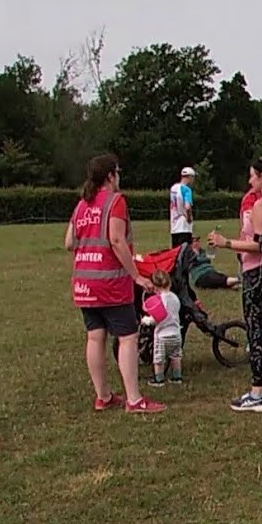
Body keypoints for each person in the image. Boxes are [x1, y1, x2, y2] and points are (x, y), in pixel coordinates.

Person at [65, 154, 165, 413]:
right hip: (109, 281)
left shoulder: (82, 205)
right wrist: (136, 276)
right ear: (110, 175)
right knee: (128, 337)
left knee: (95, 337)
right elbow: (117, 240)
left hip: (84, 282)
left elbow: (68, 243)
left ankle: (103, 396)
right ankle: (134, 399)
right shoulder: (115, 201)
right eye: (117, 172)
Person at [207, 157, 262, 412]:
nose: (249, 181)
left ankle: (257, 392)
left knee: (256, 329)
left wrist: (226, 243)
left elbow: (260, 245)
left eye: (252, 176)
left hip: (259, 271)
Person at [143, 269, 184, 387]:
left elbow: (157, 318)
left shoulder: (159, 300)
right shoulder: (175, 298)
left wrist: (146, 320)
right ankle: (177, 377)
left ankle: (159, 379)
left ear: (155, 287)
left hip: (162, 335)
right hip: (176, 333)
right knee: (176, 357)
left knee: (159, 359)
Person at [169, 166, 196, 248]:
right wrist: (189, 217)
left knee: (175, 254)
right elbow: (187, 207)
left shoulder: (173, 188)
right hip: (184, 227)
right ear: (189, 177)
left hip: (174, 226)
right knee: (184, 255)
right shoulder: (186, 190)